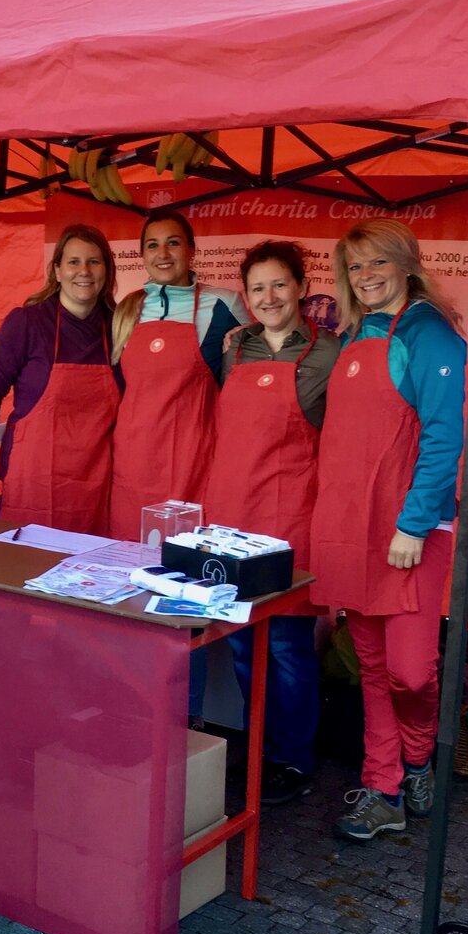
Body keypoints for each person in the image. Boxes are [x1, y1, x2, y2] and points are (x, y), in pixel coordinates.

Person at [310, 219, 466, 842]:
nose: (366, 276)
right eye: (354, 267)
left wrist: (413, 523)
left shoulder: (431, 335)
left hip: (410, 532)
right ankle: (384, 787)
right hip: (353, 526)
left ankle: (420, 757)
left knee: (411, 671)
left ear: (406, 264)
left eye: (377, 263)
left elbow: (443, 438)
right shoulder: (356, 334)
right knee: (372, 665)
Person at [206, 241, 340, 805]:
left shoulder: (330, 352)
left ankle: (293, 758)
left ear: (300, 288)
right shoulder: (236, 348)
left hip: (290, 515)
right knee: (242, 642)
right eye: (257, 288)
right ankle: (259, 747)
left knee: (286, 642)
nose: (268, 297)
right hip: (233, 513)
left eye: (279, 285)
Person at [0, 224, 121, 534]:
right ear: (57, 270)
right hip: (33, 478)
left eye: (94, 261)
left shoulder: (119, 325)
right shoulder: (26, 322)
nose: (84, 271)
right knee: (25, 568)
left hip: (97, 482)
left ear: (107, 269)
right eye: (73, 262)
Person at [107, 209, 247, 542]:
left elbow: (245, 380)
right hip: (133, 459)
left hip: (192, 459)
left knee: (185, 559)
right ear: (142, 255)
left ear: (191, 250)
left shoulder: (224, 303)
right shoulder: (127, 308)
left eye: (173, 243)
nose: (163, 254)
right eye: (153, 245)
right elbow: (116, 387)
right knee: (128, 558)